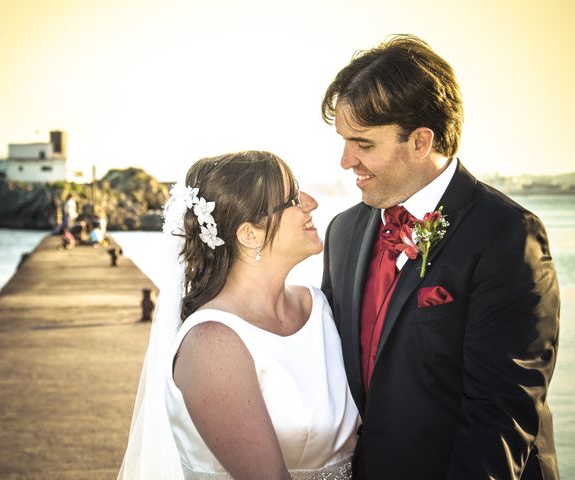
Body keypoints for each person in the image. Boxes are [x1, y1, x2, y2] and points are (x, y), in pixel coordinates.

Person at [320, 34, 560, 480]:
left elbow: (501, 415)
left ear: (421, 141)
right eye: (344, 141)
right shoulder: (342, 233)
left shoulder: (506, 235)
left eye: (363, 144)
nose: (345, 160)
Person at [118, 151, 359, 479]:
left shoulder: (318, 307)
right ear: (250, 235)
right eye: (291, 199)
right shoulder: (212, 344)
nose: (311, 202)